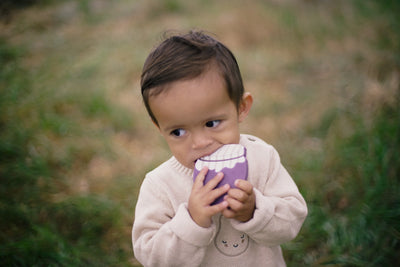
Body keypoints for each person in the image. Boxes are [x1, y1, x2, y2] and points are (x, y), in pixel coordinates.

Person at [132, 30, 307, 266]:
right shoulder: (160, 186)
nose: (200, 143)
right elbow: (149, 255)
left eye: (212, 123)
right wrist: (191, 222)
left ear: (241, 108)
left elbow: (292, 222)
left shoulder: (262, 158)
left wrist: (255, 209)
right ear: (159, 128)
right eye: (178, 132)